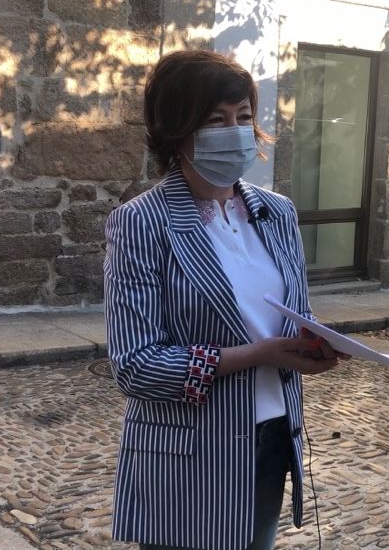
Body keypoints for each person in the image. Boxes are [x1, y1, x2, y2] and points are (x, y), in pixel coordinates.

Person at [104, 49, 343, 550]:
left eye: (243, 116)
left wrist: (314, 344)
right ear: (177, 129)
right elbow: (136, 366)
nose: (234, 131)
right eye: (216, 119)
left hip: (272, 433)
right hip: (189, 453)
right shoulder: (141, 222)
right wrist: (256, 355)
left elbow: (293, 315)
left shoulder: (277, 213)